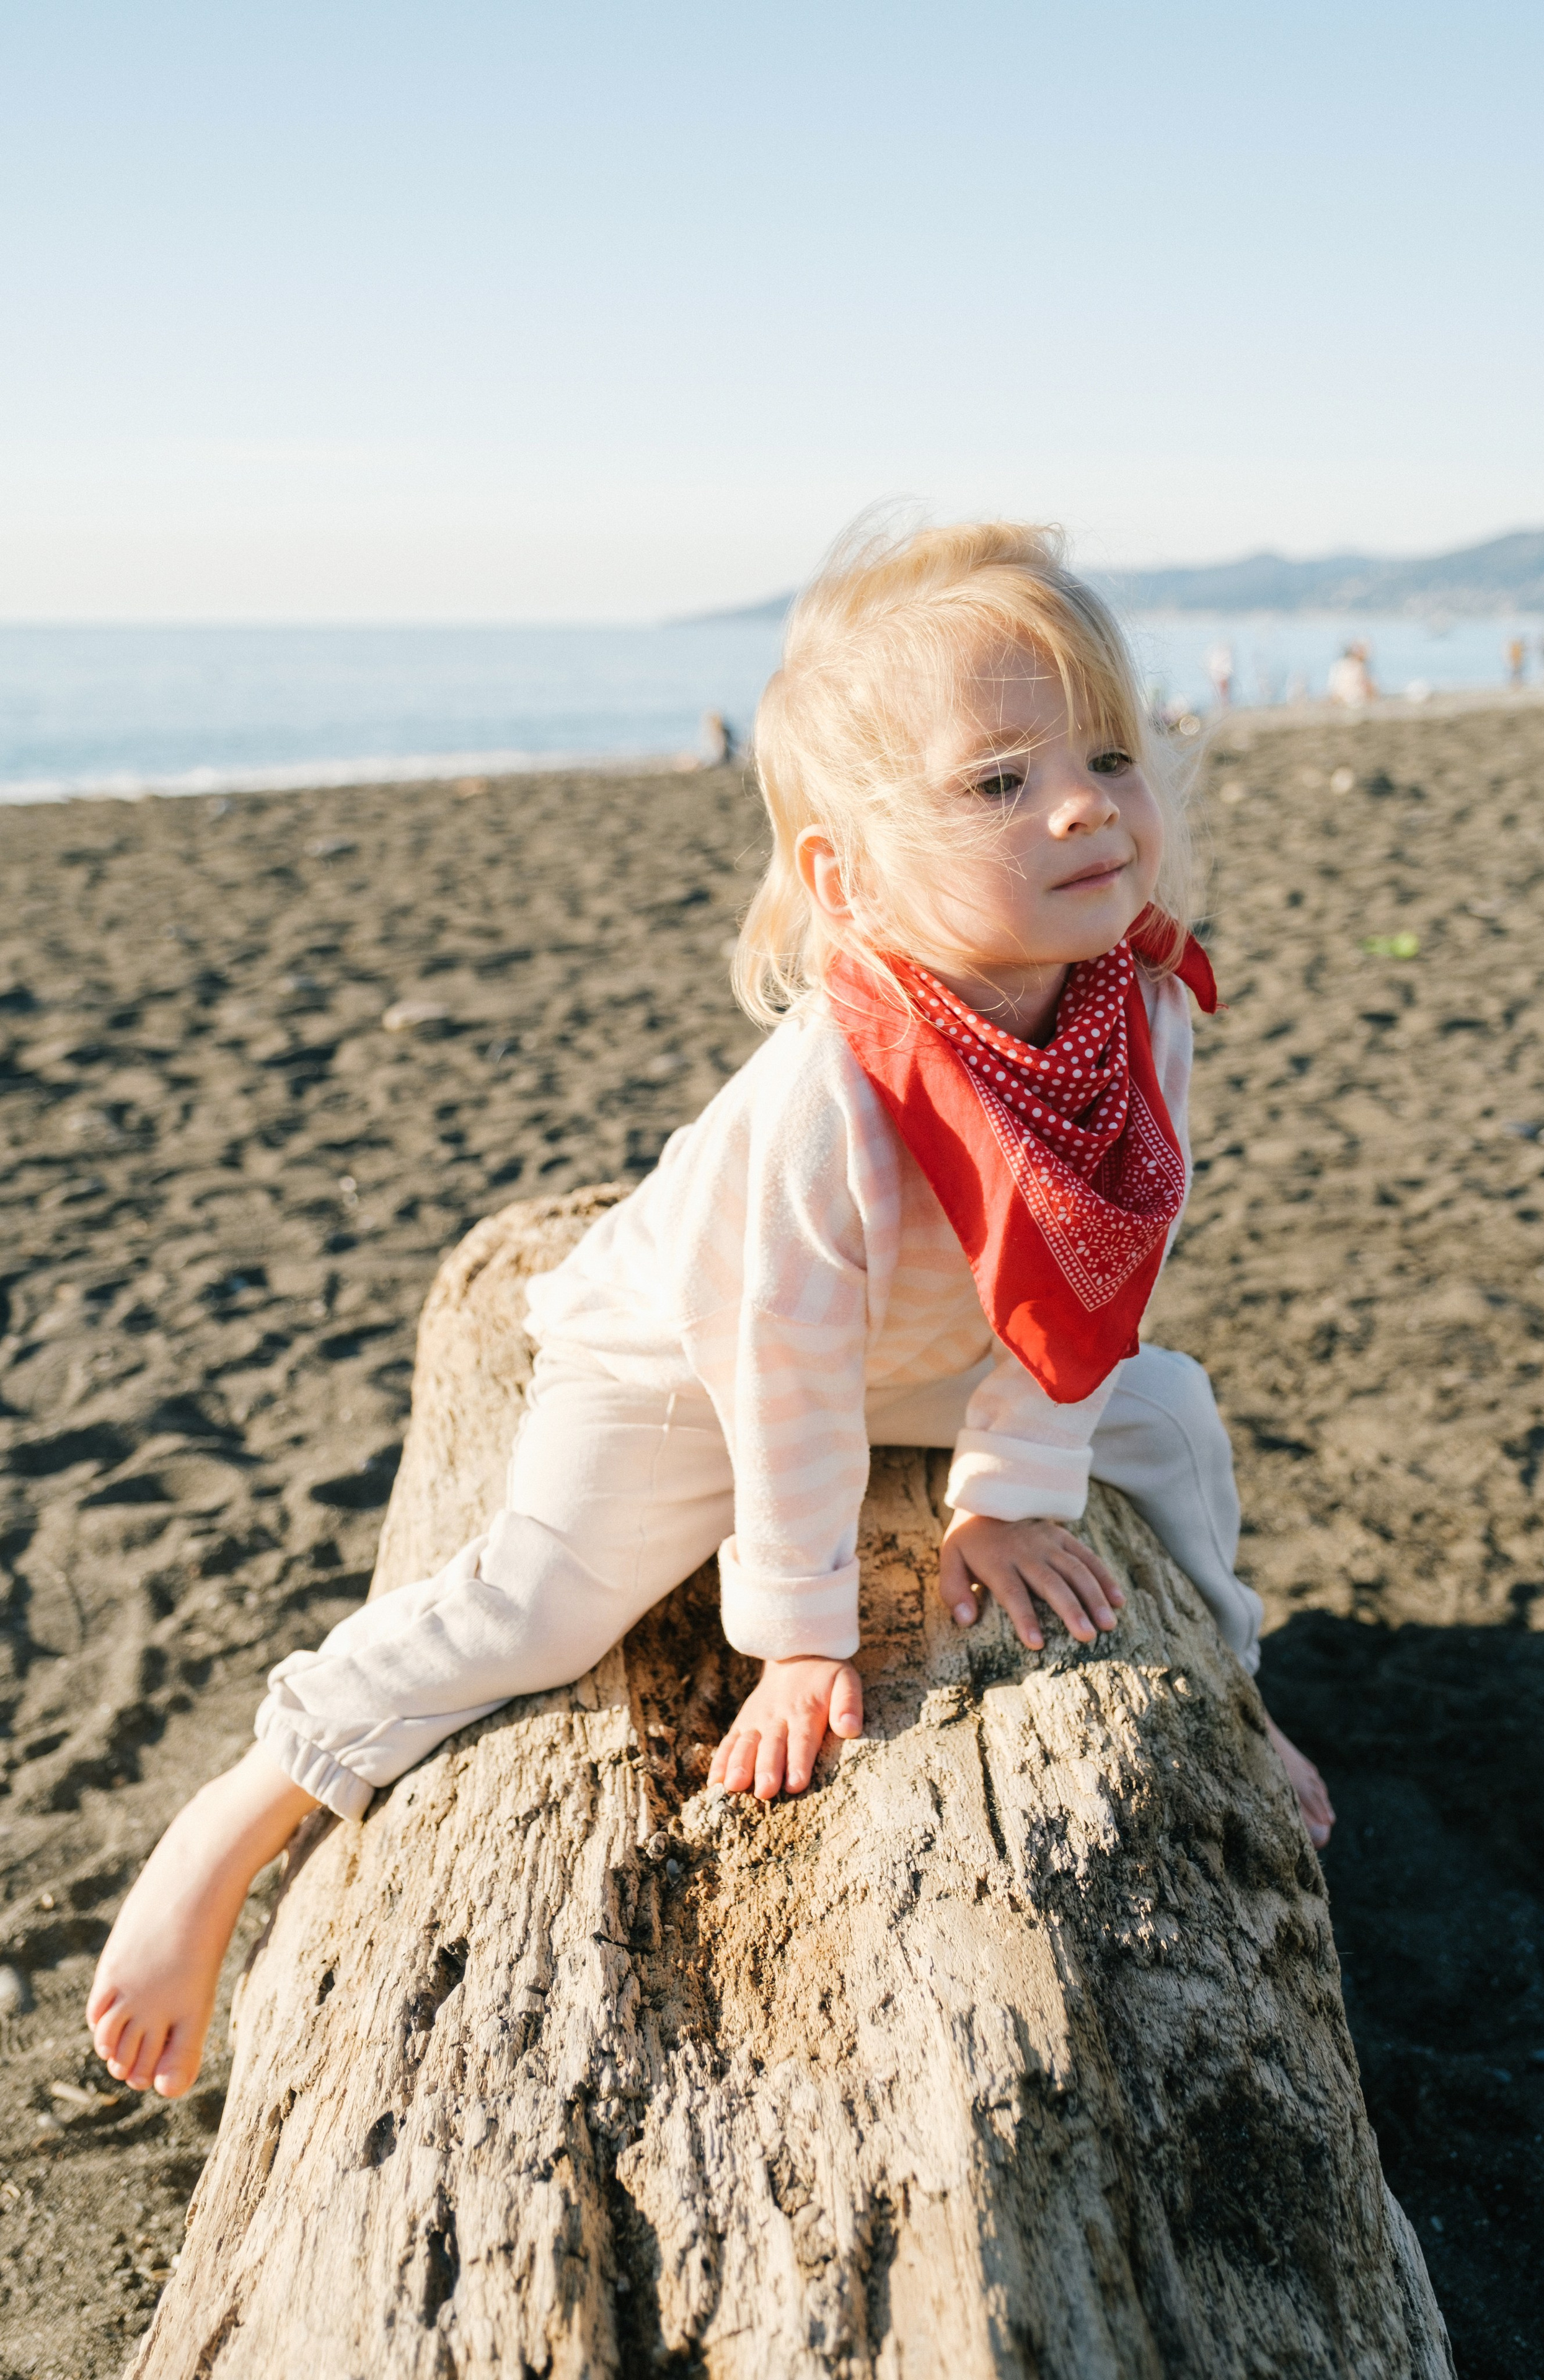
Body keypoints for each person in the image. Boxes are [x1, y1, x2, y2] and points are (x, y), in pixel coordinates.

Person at [86, 519, 1333, 2100]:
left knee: (1172, 1419)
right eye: (997, 782)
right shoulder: (830, 1091)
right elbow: (783, 1367)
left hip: (934, 1355)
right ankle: (245, 1812)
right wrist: (803, 1638)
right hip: (690, 1354)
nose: (1084, 801)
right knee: (545, 1599)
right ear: (847, 873)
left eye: (1106, 751)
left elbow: (1101, 1270)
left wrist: (1006, 1499)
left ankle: (1231, 1688)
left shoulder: (1137, 1010)